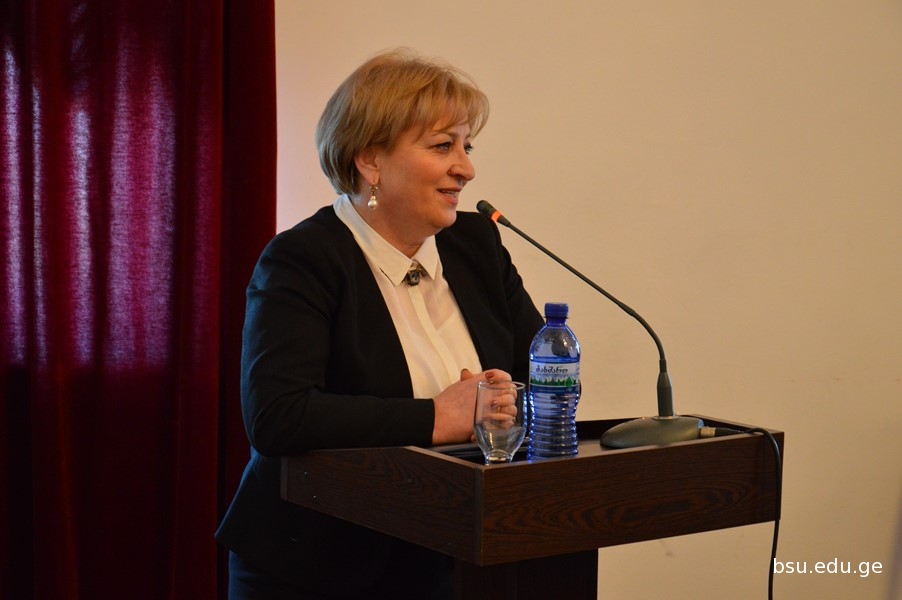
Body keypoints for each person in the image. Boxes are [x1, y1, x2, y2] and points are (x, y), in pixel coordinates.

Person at [216, 48, 544, 599]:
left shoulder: (477, 245)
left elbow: (543, 375)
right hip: (317, 567)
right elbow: (278, 416)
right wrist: (437, 416)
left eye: (466, 146)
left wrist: (506, 397)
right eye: (442, 146)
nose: (466, 168)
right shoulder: (303, 259)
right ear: (370, 161)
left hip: (457, 554)